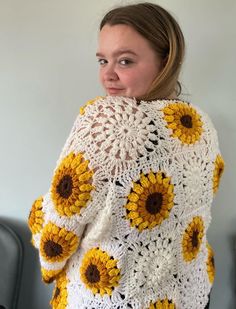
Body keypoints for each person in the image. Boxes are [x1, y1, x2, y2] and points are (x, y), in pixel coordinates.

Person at [28, 2, 225, 309]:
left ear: (166, 61)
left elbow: (59, 228)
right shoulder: (199, 124)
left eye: (125, 61)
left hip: (113, 300)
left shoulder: (107, 121)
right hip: (190, 293)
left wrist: (41, 226)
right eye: (102, 60)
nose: (108, 75)